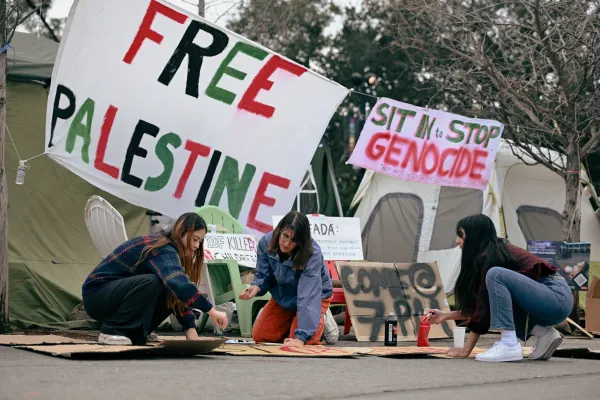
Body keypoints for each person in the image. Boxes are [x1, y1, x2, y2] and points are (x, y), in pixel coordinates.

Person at [425, 214, 573, 362]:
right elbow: (482, 307)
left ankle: (508, 345)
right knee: (499, 300)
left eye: (461, 236)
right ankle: (545, 333)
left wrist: (465, 350)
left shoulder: (490, 257)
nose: (457, 241)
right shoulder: (493, 252)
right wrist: (445, 316)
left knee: (495, 274)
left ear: (474, 237)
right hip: (553, 300)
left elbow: (482, 309)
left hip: (555, 297)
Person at [82, 213, 228, 345]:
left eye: (200, 242)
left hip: (116, 298)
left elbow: (176, 292)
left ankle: (138, 331)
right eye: (195, 239)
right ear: (181, 232)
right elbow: (179, 284)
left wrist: (190, 327)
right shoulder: (162, 248)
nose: (197, 245)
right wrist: (212, 311)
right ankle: (113, 331)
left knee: (167, 286)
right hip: (96, 296)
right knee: (154, 282)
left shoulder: (170, 252)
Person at [238, 211, 334, 346]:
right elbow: (263, 275)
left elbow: (308, 295)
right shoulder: (266, 242)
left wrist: (301, 338)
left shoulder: (312, 254)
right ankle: (295, 324)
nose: (287, 243)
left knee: (305, 341)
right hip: (284, 296)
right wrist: (256, 287)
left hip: (314, 296)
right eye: (285, 236)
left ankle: (320, 322)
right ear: (279, 229)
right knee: (260, 335)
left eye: (294, 240)